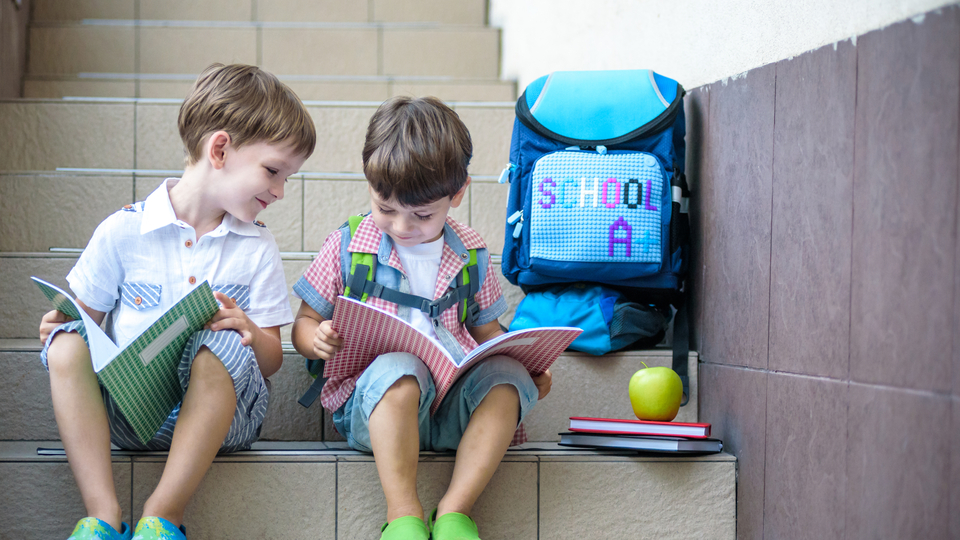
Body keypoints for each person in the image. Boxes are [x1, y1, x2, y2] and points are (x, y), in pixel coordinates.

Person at [38, 63, 316, 540]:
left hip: (224, 420)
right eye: (274, 171)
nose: (280, 191)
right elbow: (83, 320)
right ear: (220, 149)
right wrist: (61, 325)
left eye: (287, 178)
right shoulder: (123, 230)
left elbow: (272, 359)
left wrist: (248, 330)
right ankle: (101, 517)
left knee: (221, 343)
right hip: (129, 416)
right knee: (64, 343)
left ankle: (161, 517)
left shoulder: (256, 246)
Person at [291, 96, 552, 540]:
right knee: (401, 369)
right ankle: (404, 515)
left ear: (458, 193)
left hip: (451, 409)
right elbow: (304, 321)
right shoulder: (349, 246)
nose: (401, 226)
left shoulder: (471, 253)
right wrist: (315, 338)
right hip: (377, 408)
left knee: (506, 378)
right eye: (386, 208)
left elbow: (488, 333)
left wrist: (527, 366)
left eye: (422, 215)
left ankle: (454, 512)